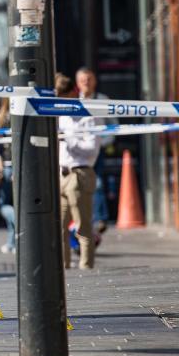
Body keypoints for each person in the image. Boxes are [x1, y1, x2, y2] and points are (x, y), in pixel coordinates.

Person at [56, 74, 100, 269]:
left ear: (71, 94)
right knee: (59, 228)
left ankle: (86, 268)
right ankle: (63, 268)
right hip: (62, 174)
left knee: (82, 227)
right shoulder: (61, 115)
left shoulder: (88, 116)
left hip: (80, 173)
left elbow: (91, 149)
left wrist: (68, 139)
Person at [75, 67, 113, 235]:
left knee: (97, 184)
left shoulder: (103, 99)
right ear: (77, 83)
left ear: (95, 81)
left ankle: (100, 219)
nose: (86, 83)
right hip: (79, 151)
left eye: (89, 79)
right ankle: (84, 220)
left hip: (98, 150)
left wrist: (104, 142)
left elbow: (113, 124)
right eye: (83, 80)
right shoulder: (74, 100)